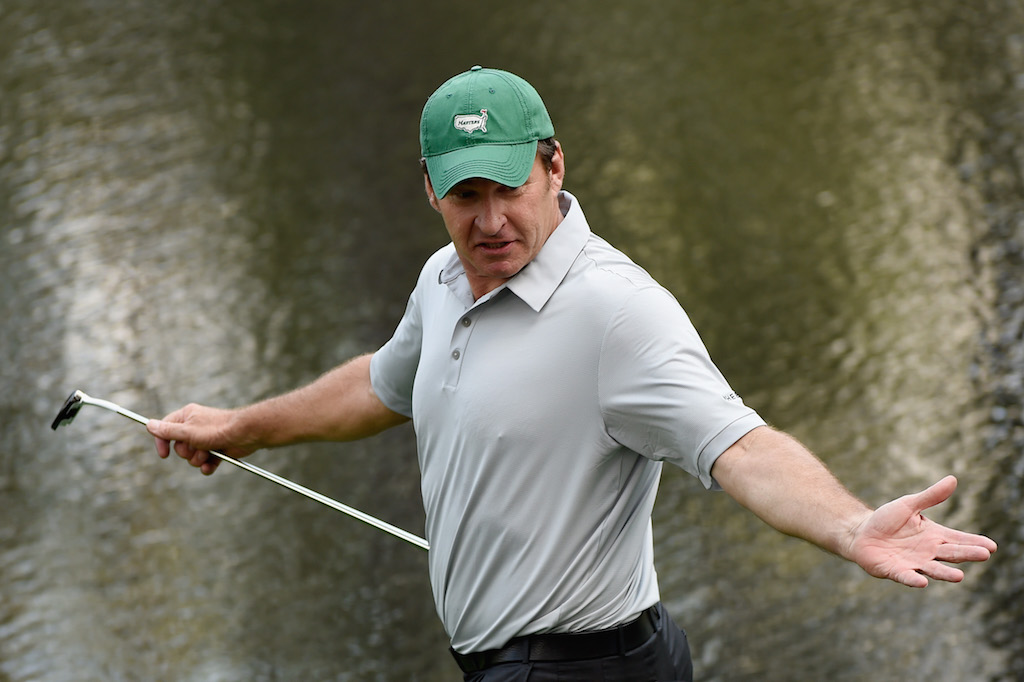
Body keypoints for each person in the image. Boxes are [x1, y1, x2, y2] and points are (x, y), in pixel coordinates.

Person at [147, 66, 998, 681]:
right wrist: (237, 427)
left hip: (585, 668)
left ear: (555, 165)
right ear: (430, 191)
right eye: (464, 195)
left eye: (509, 188)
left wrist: (851, 529)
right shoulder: (440, 285)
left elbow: (738, 445)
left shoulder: (615, 312)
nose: (489, 221)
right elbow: (381, 385)